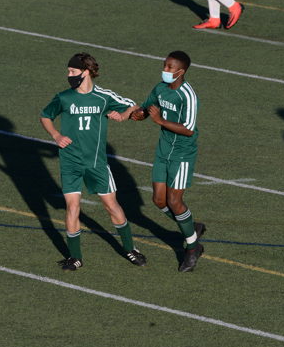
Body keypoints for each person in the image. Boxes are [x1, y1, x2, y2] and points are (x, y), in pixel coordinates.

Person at [40, 52, 147, 271]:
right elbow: (45, 115)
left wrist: (123, 115)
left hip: (96, 162)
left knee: (111, 206)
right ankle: (75, 257)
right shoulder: (64, 97)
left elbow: (134, 107)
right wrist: (56, 135)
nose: (69, 75)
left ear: (86, 72)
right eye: (68, 71)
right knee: (72, 207)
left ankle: (130, 248)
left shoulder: (104, 97)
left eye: (73, 71)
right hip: (70, 162)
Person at [116, 51, 205, 273]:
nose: (164, 70)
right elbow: (147, 109)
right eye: (164, 65)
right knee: (158, 200)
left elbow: (188, 129)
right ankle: (191, 227)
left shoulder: (188, 96)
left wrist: (159, 120)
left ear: (180, 72)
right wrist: (139, 115)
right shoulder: (160, 88)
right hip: (163, 151)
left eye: (169, 67)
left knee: (174, 201)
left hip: (182, 154)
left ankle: (193, 248)